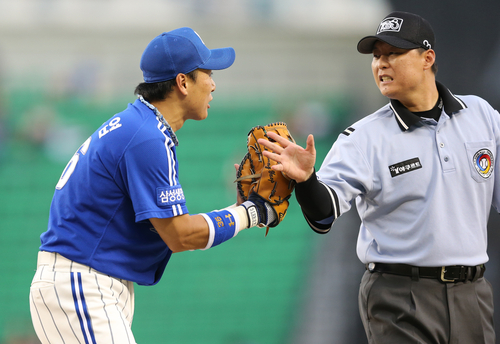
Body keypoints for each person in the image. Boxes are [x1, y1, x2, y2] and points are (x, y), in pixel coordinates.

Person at [259, 11, 498, 344]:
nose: (381, 64)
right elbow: (323, 214)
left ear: (428, 57)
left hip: (472, 293)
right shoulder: (363, 137)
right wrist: (307, 180)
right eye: (376, 56)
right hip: (401, 296)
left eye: (394, 53)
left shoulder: (482, 116)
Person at [29, 27, 277, 344]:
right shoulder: (146, 137)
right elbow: (180, 235)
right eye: (208, 72)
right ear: (182, 82)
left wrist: (244, 210)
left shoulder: (141, 126)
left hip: (88, 282)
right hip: (80, 284)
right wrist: (251, 212)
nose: (213, 84)